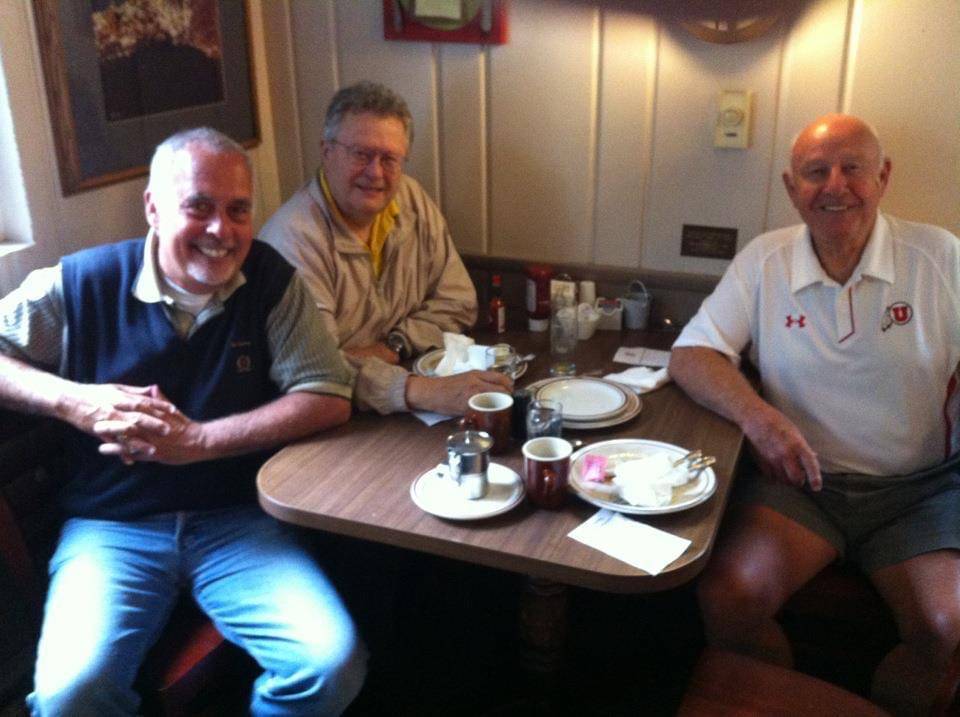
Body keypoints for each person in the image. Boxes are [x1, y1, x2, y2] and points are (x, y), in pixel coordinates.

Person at [1, 128, 367, 716]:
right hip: (111, 528)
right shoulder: (81, 284)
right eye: (198, 206)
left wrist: (198, 441)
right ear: (153, 206)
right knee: (71, 695)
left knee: (328, 665)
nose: (221, 231)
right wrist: (74, 401)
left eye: (238, 210)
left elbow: (327, 394)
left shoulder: (274, 285)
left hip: (239, 521)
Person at [670, 113, 960, 714]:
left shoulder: (940, 257)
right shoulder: (764, 260)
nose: (835, 185)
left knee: (945, 623)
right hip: (802, 488)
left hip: (919, 490)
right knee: (729, 596)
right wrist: (760, 419)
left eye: (852, 168)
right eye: (815, 171)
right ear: (789, 187)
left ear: (883, 177)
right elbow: (693, 354)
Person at [260, 81, 511, 416]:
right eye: (361, 154)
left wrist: (394, 345)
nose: (375, 173)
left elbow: (459, 302)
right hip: (320, 424)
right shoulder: (292, 240)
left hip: (390, 400)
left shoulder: (409, 198)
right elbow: (319, 375)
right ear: (326, 151)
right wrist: (416, 390)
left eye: (390, 158)